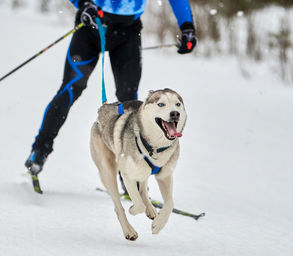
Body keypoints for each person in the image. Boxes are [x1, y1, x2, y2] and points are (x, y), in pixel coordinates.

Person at [25, 0, 197, 177]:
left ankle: (129, 172)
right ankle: (39, 151)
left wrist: (187, 26)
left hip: (128, 32)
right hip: (91, 26)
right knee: (71, 88)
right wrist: (84, 3)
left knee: (128, 100)